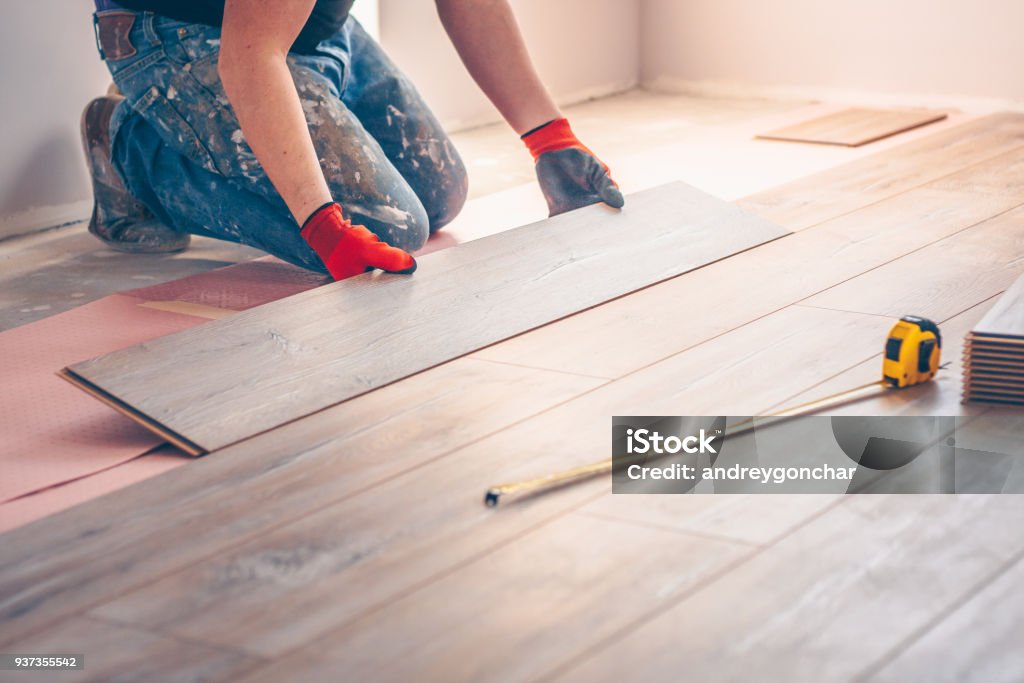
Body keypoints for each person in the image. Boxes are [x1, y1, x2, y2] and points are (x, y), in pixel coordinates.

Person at [84, 0, 624, 280]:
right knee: (387, 228)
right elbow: (251, 54)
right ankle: (129, 145)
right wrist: (322, 225)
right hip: (185, 36)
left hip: (310, 26)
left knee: (441, 195)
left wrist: (551, 140)